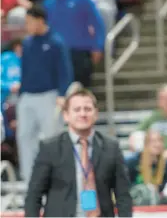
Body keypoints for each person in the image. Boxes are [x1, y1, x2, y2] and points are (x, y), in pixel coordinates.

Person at [24, 89, 133, 217]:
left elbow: (123, 195)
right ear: (66, 115)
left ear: (96, 114)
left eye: (87, 109)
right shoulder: (50, 148)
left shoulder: (111, 148)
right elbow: (34, 195)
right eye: (77, 109)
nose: (82, 114)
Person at [17, 5, 74, 183]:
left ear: (40, 20)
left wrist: (62, 93)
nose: (27, 26)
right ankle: (30, 178)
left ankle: (57, 177)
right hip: (27, 96)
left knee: (52, 138)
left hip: (49, 95)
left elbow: (65, 70)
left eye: (29, 22)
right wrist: (21, 92)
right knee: (24, 136)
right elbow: (25, 70)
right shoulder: (27, 43)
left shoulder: (56, 42)